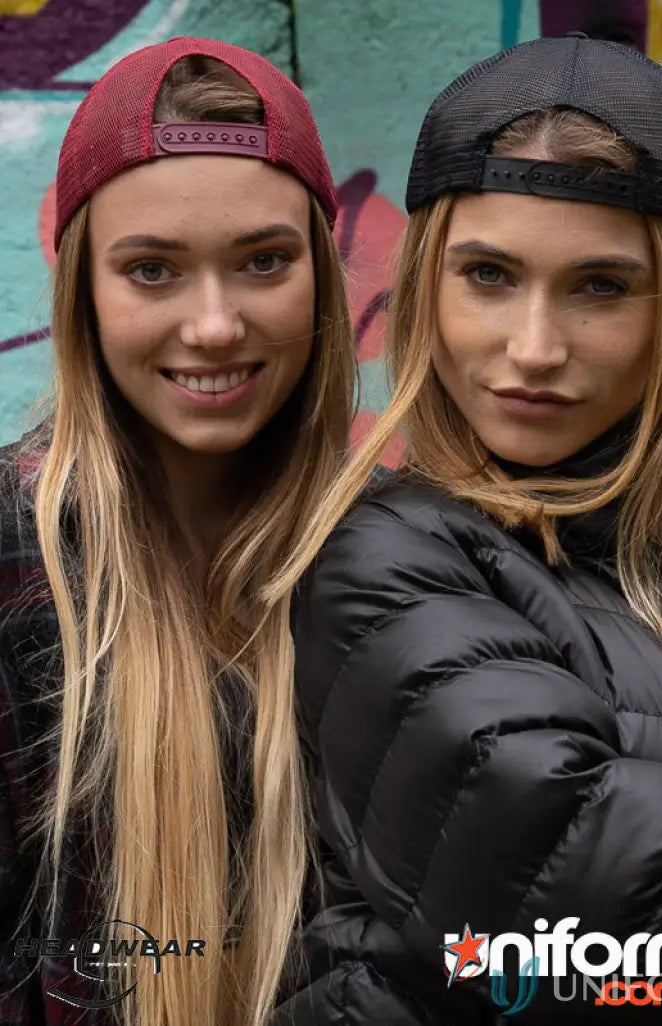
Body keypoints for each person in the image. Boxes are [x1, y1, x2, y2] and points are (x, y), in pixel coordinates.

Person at [269, 36, 662, 1025]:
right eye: (488, 275)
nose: (532, 350)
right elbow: (564, 892)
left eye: (598, 287)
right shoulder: (382, 564)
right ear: (427, 289)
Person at [0, 37, 355, 1026]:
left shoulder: (390, 563)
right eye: (152, 270)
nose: (211, 324)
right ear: (84, 289)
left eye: (263, 262)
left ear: (321, 276)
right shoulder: (13, 563)